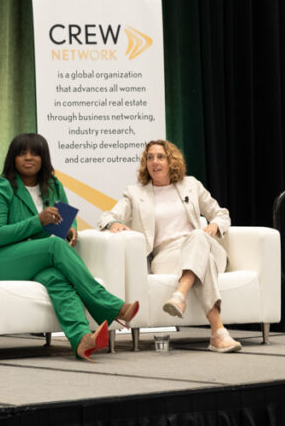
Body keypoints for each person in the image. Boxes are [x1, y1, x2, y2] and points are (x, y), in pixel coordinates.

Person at [0, 133, 139, 361]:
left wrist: (70, 228)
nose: (28, 158)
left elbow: (64, 218)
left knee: (57, 278)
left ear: (43, 158)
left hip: (40, 259)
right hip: (4, 260)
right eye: (22, 153)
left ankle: (82, 339)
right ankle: (110, 306)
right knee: (54, 246)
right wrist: (39, 220)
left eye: (35, 153)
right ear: (12, 158)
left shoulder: (53, 185)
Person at [100, 140, 242, 353]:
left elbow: (222, 214)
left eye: (160, 157)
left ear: (171, 161)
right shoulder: (135, 194)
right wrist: (114, 223)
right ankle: (218, 333)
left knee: (198, 237)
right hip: (167, 257)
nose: (154, 162)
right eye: (150, 157)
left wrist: (213, 226)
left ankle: (180, 295)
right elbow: (107, 216)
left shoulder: (191, 185)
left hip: (203, 244)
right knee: (206, 262)